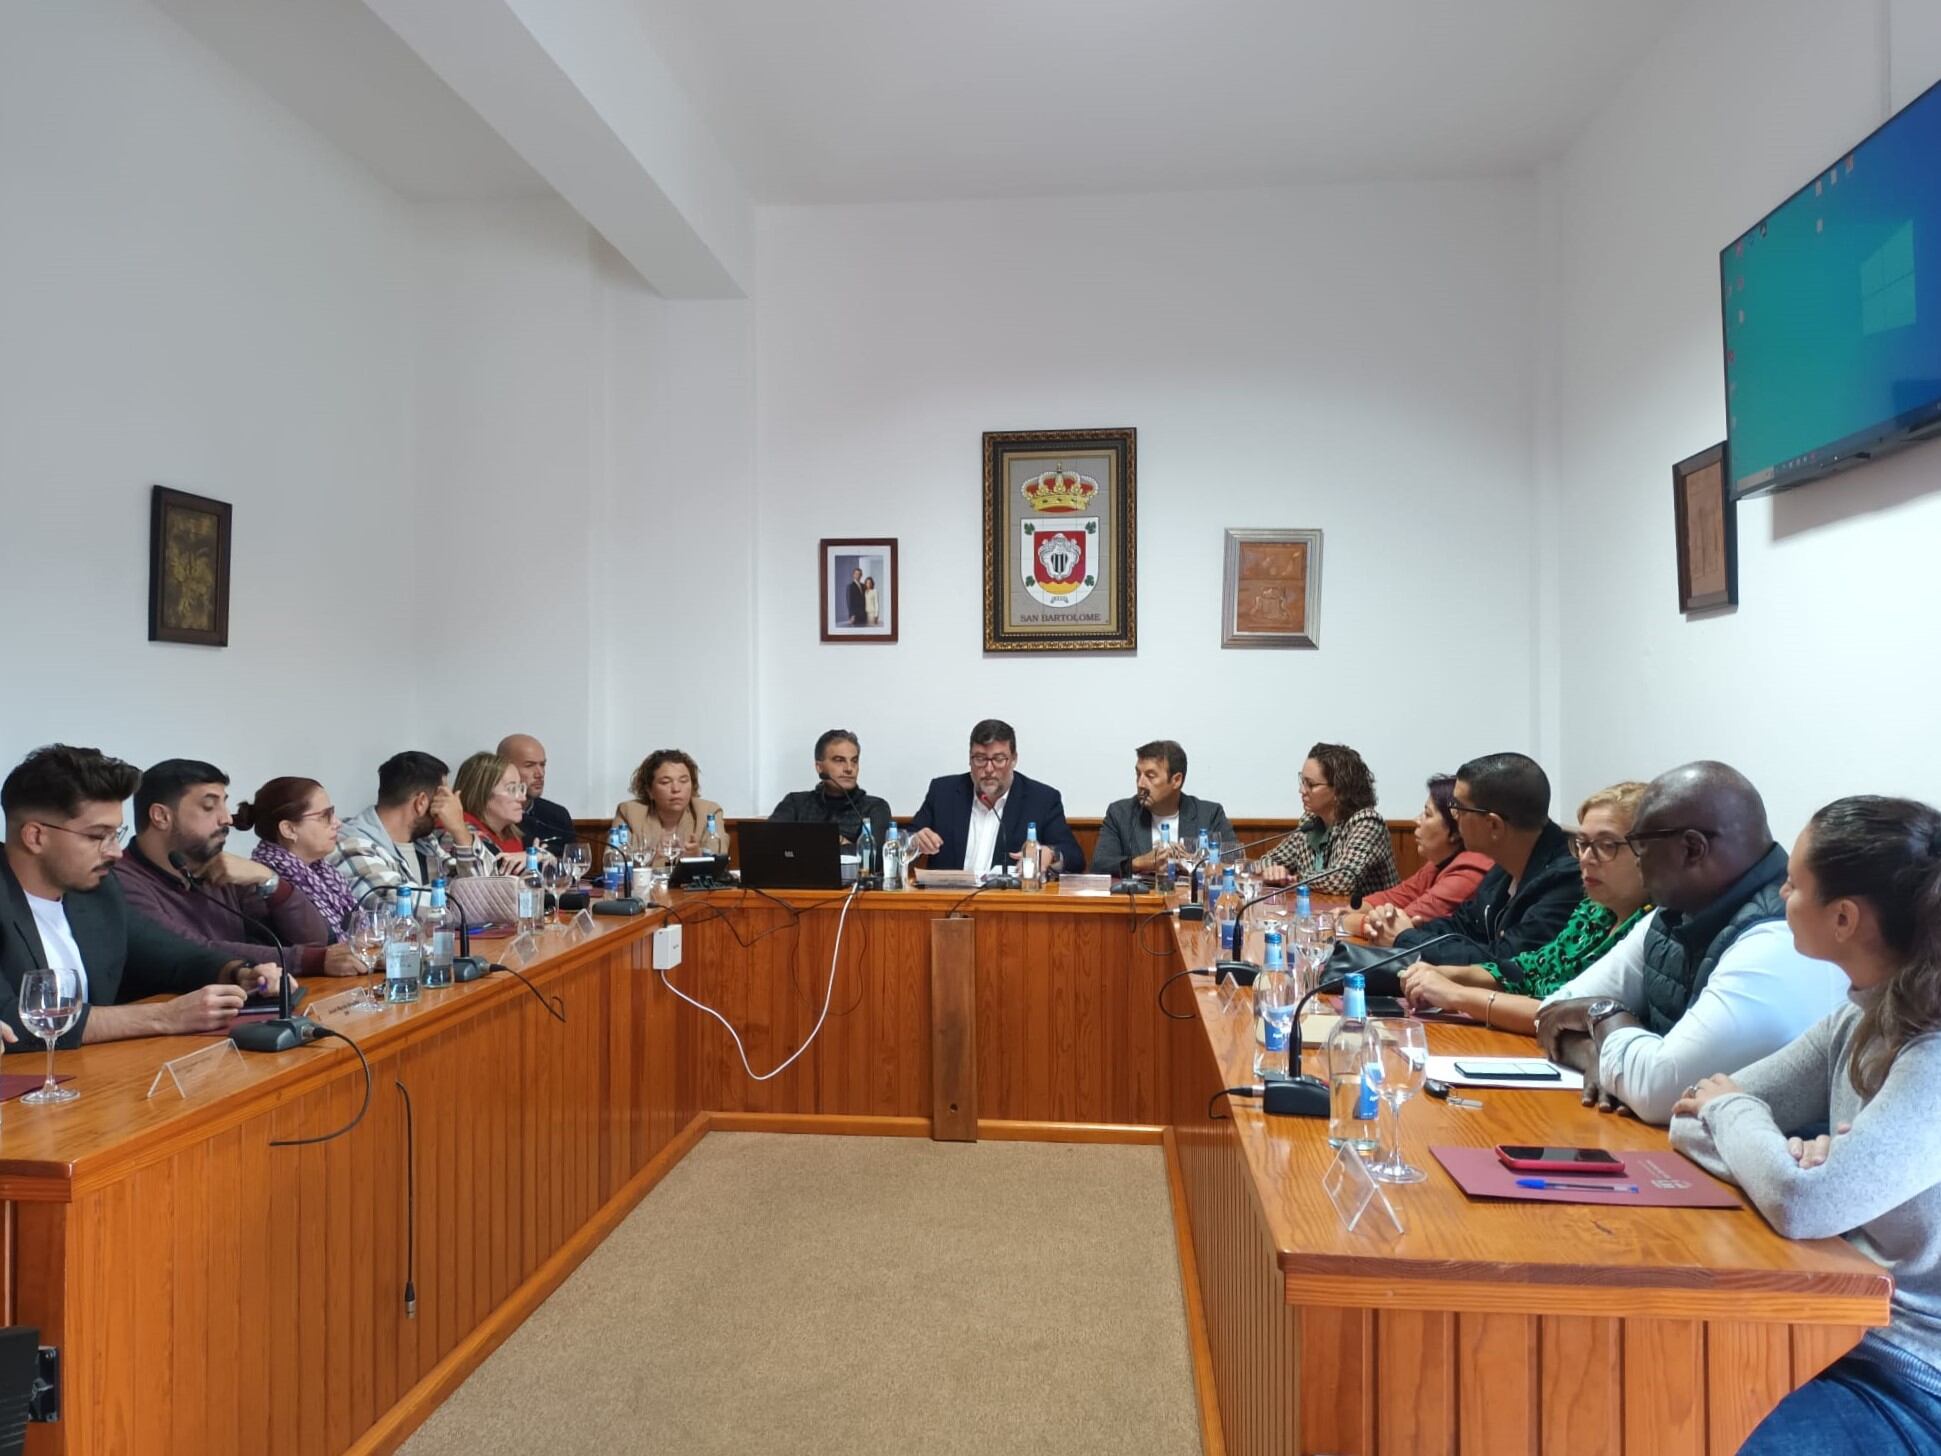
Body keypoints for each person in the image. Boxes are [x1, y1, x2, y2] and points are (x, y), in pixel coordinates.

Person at [1670, 796, 1941, 1453]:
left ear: (1843, 918)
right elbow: (1686, 1116)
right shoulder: (1856, 1019)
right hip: (1835, 1331)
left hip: (1911, 1380)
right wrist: (1777, 1151)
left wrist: (1744, 1122)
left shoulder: (1931, 1054)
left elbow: (1799, 1200)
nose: (1779, 895)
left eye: (1790, 884)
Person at [1534, 762, 1848, 1124]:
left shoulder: (1777, 941)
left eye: (1640, 846)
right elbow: (1554, 1011)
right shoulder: (1672, 912)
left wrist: (1601, 1014)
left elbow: (1658, 1090)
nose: (1637, 862)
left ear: (1692, 849)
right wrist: (1599, 1059)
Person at [0, 744, 281, 1045]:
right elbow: (13, 1017)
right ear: (36, 836)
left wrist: (236, 972)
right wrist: (164, 1017)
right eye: (97, 836)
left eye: (116, 835)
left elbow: (169, 956)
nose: (115, 852)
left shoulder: (97, 892)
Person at [1400, 781, 1652, 1034]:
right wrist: (1446, 973)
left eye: (1607, 845)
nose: (1586, 858)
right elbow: (1530, 969)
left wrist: (1456, 994)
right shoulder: (1595, 910)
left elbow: (1564, 1011)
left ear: (1650, 853)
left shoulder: (1652, 926)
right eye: (1582, 843)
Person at [113, 758, 347, 978]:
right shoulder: (122, 880)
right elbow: (193, 951)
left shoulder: (223, 869)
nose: (227, 819)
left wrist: (270, 880)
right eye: (209, 806)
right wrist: (310, 961)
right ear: (161, 816)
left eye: (224, 805)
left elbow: (315, 940)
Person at [1384, 752, 1583, 976]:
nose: (1454, 816)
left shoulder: (1566, 880)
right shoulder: (1503, 865)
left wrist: (1406, 938)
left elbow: (1505, 961)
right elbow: (1463, 926)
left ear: (1493, 825)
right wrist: (1410, 928)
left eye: (1459, 809)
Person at [906, 719, 1084, 877]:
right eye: (980, 759)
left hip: (1007, 906)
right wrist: (914, 842)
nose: (989, 769)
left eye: (999, 759)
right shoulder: (943, 792)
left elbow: (1075, 858)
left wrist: (1051, 854)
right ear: (970, 759)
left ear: (1014, 759)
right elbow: (905, 839)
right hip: (945, 900)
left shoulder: (1041, 799)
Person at [327, 751, 495, 908]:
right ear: (421, 802)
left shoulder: (426, 843)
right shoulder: (351, 845)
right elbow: (402, 906)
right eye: (444, 798)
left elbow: (490, 889)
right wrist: (472, 898)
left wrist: (460, 832)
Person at [1339, 774, 1492, 939]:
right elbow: (1396, 895)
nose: (1416, 820)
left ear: (1455, 830)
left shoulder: (1469, 871)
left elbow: (1398, 928)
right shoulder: (1439, 863)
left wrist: (1344, 922)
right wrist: (1349, 910)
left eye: (1427, 814)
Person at [1259, 743, 1398, 899]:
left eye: (1310, 784)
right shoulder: (1311, 822)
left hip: (1369, 918)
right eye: (1302, 781)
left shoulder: (1367, 823)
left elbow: (1343, 879)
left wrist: (1296, 879)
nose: (1302, 791)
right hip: (1323, 915)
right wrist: (1272, 871)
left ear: (1339, 789)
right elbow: (1268, 859)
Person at [1091, 740, 1233, 880]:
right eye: (1138, 774)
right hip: (1142, 900)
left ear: (1176, 780)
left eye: (1150, 776)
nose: (1140, 784)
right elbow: (1100, 865)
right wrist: (1140, 863)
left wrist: (1192, 863)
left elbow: (1233, 863)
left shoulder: (1209, 814)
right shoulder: (1121, 813)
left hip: (1193, 900)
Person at [236, 776, 359, 936]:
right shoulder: (264, 889)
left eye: (333, 814)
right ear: (289, 829)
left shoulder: (324, 872)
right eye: (325, 816)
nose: (337, 823)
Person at [767, 730, 892, 847]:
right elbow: (769, 842)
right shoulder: (795, 803)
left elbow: (875, 858)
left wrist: (805, 841)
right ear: (819, 767)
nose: (849, 768)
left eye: (854, 761)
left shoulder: (875, 807)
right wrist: (838, 841)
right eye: (839, 760)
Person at [615, 750, 723, 854]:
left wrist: (698, 856)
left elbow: (719, 855)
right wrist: (653, 859)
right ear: (649, 790)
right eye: (665, 782)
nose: (676, 789)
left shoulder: (708, 812)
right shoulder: (629, 813)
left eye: (683, 781)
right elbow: (614, 861)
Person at [498, 734, 576, 855]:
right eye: (529, 765)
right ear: (505, 768)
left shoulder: (557, 814)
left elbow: (574, 862)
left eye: (542, 765)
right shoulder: (496, 817)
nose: (540, 773)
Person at [452, 750, 533, 863]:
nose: (522, 798)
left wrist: (541, 856)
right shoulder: (461, 833)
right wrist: (533, 858)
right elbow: (490, 870)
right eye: (512, 789)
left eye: (521, 788)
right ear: (481, 793)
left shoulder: (511, 832)